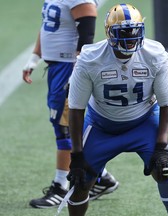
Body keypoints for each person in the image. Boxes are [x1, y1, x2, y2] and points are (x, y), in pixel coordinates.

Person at [66, 3, 168, 216]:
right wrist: (76, 155)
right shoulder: (90, 58)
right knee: (80, 180)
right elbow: (75, 108)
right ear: (109, 33)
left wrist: (161, 146)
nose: (130, 38)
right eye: (123, 33)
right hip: (101, 124)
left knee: (164, 169)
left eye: (134, 32)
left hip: (143, 121)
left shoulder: (154, 54)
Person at [22, 0, 119, 209]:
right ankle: (101, 178)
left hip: (68, 66)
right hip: (57, 66)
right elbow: (47, 23)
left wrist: (77, 68)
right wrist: (35, 56)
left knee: (65, 127)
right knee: (62, 123)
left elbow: (87, 29)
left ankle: (61, 186)